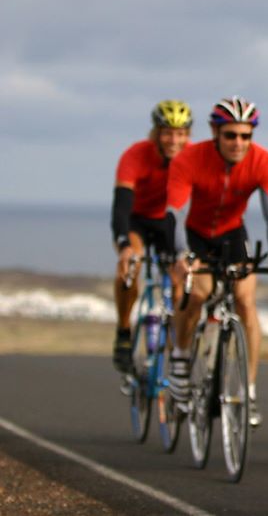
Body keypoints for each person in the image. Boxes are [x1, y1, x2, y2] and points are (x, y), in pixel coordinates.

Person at [166, 96, 268, 428]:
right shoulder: (189, 159)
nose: (239, 143)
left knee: (245, 302)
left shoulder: (263, 161)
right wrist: (182, 254)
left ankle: (247, 392)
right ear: (214, 132)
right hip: (194, 234)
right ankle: (180, 359)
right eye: (231, 135)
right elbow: (175, 212)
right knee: (196, 293)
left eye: (245, 136)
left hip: (231, 234)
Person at [110, 100, 192, 374]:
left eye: (180, 134)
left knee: (182, 282)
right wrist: (123, 245)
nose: (174, 141)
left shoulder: (192, 157)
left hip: (170, 223)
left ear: (188, 135)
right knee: (130, 266)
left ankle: (177, 346)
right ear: (156, 133)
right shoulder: (135, 155)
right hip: (138, 220)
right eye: (167, 133)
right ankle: (124, 331)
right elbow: (121, 206)